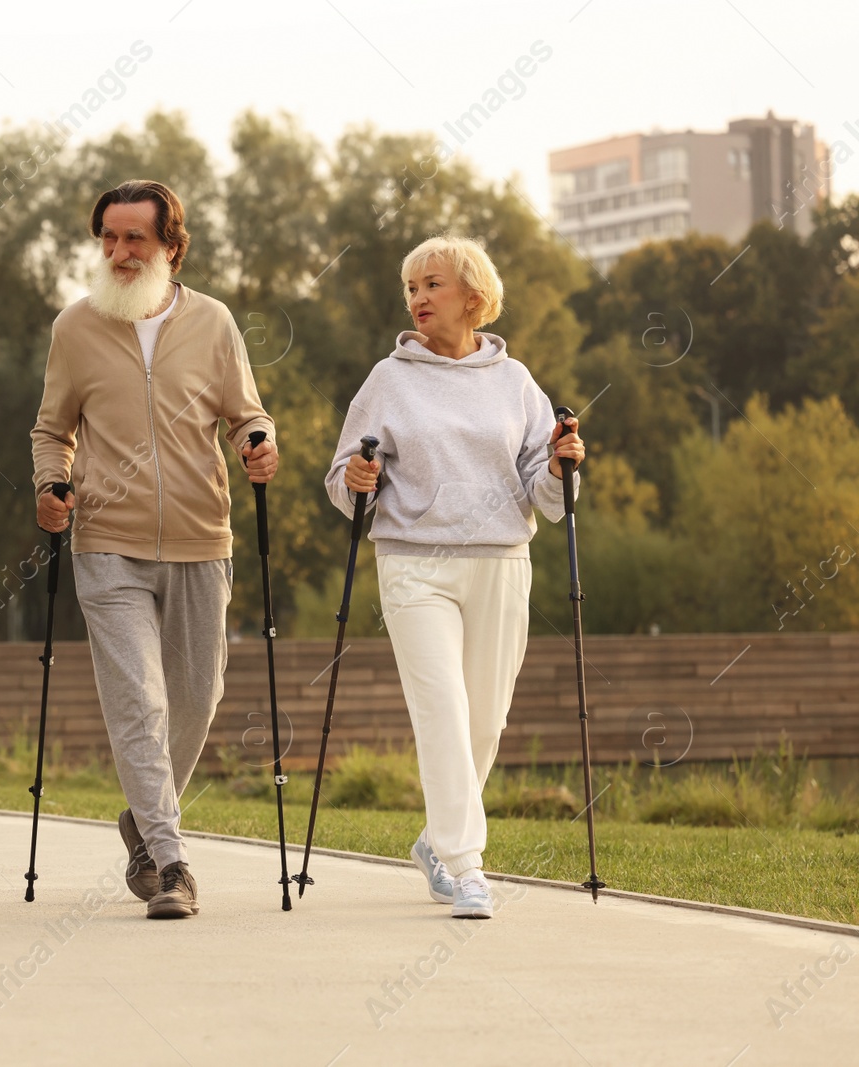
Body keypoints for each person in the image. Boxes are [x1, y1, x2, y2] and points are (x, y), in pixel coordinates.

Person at [32, 179, 277, 920]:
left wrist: (258, 444)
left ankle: (142, 818)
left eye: (135, 237)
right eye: (108, 237)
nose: (119, 251)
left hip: (203, 539)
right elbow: (52, 430)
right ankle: (171, 863)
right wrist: (51, 481)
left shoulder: (213, 322)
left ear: (171, 245)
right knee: (139, 700)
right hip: (107, 540)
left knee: (196, 700)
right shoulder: (76, 327)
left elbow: (246, 412)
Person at [325, 234, 583, 920]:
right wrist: (357, 479)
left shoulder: (516, 382)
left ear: (473, 296)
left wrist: (560, 467)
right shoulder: (389, 379)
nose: (417, 298)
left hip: (500, 560)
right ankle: (467, 866)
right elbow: (344, 482)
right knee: (440, 706)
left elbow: (547, 496)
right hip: (414, 561)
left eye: (431, 284)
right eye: (411, 287)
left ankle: (437, 840)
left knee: (486, 716)